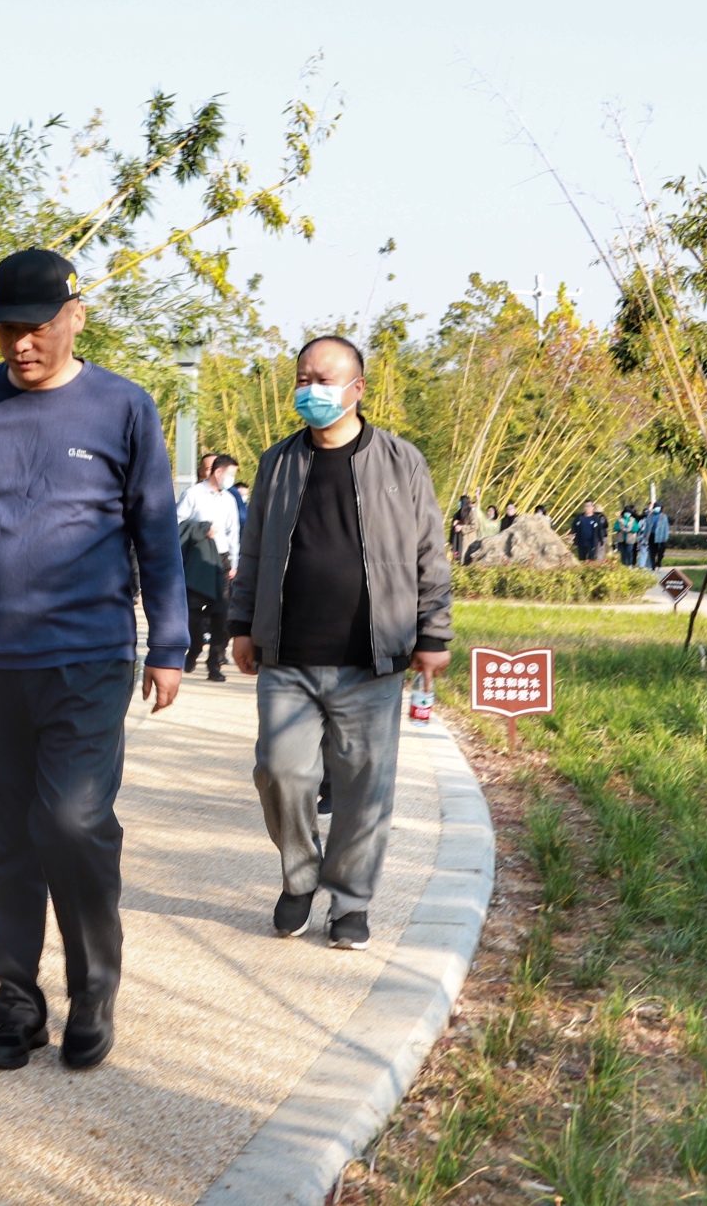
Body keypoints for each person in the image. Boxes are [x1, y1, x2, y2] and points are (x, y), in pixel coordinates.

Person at [0, 247, 186, 1074]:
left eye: (37, 327)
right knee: (7, 840)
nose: (21, 344)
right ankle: (18, 1002)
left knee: (71, 821)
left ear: (75, 317)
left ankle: (93, 988)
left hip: (90, 653)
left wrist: (169, 642)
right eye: (7, 330)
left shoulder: (123, 406)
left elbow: (156, 531)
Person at [227, 335, 452, 953]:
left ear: (357, 388)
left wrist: (433, 631)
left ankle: (350, 901)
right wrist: (241, 624)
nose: (310, 390)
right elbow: (253, 550)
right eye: (303, 379)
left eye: (323, 380)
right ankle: (300, 877)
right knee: (279, 771)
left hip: (370, 657)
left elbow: (430, 552)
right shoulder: (278, 462)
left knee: (362, 786)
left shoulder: (402, 461)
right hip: (288, 656)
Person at [177, 453, 241, 680]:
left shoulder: (229, 499)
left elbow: (234, 532)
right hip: (199, 560)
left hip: (222, 561)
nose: (232, 479)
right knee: (193, 612)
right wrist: (201, 529)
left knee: (221, 615)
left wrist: (234, 563)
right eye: (231, 474)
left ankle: (215, 664)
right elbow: (176, 522)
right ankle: (194, 648)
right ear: (218, 471)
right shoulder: (193, 494)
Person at [449, 495, 477, 561]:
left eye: (460, 502)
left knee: (465, 559)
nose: (459, 503)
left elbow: (475, 525)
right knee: (456, 557)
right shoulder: (458, 513)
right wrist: (455, 522)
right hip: (457, 539)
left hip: (467, 539)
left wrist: (462, 527)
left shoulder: (471, 513)